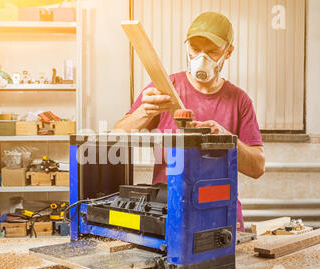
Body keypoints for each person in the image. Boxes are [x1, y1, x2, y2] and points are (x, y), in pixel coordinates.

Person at [113, 12, 265, 231]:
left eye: (212, 51)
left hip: (219, 211)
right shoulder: (166, 87)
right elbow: (116, 135)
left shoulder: (239, 100)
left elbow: (257, 167)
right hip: (166, 209)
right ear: (186, 47)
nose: (202, 58)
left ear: (228, 52)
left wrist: (227, 140)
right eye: (195, 48)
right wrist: (144, 112)